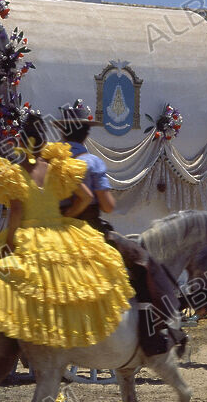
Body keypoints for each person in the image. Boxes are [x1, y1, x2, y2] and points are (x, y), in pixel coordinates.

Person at [0, 108, 134, 351]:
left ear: (21, 142)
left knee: (18, 284)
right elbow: (92, 199)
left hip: (29, 231)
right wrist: (68, 216)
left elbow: (15, 211)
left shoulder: (17, 171)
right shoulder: (63, 167)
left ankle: (21, 338)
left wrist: (11, 240)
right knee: (75, 283)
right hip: (64, 230)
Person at [54, 99, 184, 354]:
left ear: (62, 131)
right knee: (142, 262)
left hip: (50, 230)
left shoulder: (50, 159)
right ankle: (150, 336)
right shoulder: (91, 162)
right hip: (87, 230)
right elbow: (108, 205)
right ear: (86, 132)